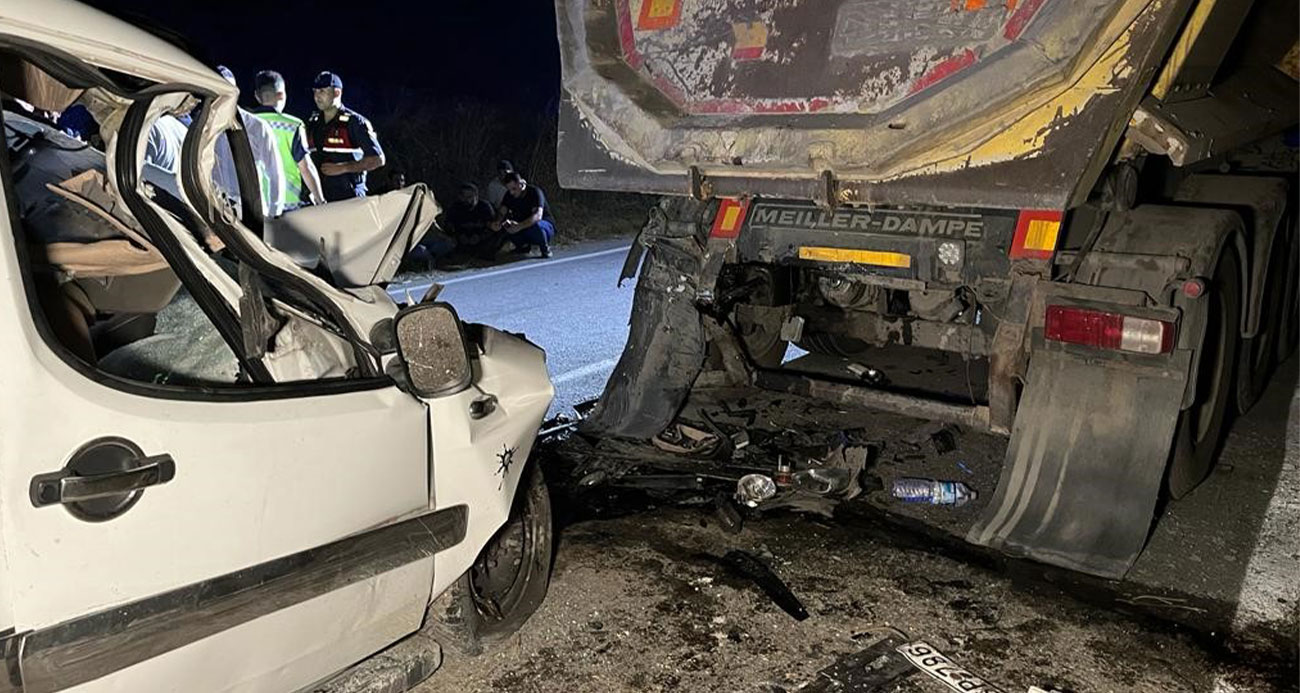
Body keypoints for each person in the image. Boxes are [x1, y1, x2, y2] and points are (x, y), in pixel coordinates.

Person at [213, 66, 286, 218]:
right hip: (217, 211)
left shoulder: (257, 127)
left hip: (251, 214)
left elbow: (275, 174)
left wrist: (274, 215)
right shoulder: (203, 128)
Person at [251, 70, 324, 210]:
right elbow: (305, 168)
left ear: (257, 96)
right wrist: (320, 200)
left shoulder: (245, 123)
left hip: (255, 205)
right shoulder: (292, 125)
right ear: (281, 95)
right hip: (287, 203)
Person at [306, 71, 385, 202]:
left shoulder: (355, 122)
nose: (316, 96)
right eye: (315, 91)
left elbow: (378, 159)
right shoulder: (313, 123)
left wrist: (343, 167)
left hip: (350, 198)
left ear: (337, 93)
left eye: (322, 91)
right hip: (320, 199)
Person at [492, 171, 555, 258]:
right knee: (507, 226)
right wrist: (498, 222)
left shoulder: (534, 192)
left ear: (521, 184)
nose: (511, 192)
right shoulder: (509, 195)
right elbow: (502, 211)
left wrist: (519, 226)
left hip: (542, 225)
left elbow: (537, 216)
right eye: (509, 190)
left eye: (514, 189)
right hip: (523, 226)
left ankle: (545, 248)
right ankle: (522, 247)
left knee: (536, 226)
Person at [444, 182, 501, 259]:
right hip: (461, 240)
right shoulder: (455, 208)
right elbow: (448, 226)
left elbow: (493, 226)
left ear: (476, 196)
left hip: (482, 240)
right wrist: (458, 236)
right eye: (463, 196)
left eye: (470, 197)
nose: (466, 199)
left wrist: (481, 237)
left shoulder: (485, 207)